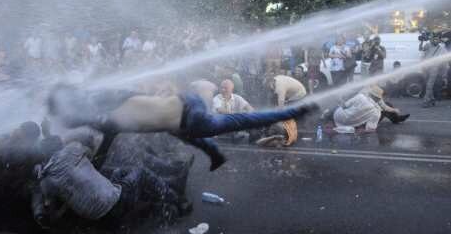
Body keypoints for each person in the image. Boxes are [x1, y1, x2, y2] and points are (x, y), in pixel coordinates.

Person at [48, 82, 317, 171]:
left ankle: (295, 110)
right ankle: (215, 154)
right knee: (174, 129)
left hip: (191, 119)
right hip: (185, 103)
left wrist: (94, 163)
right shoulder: (115, 101)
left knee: (241, 121)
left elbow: (103, 146)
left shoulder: (107, 123)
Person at [37, 141, 182, 226]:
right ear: (59, 147)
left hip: (101, 220)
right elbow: (92, 152)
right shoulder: (70, 150)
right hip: (118, 202)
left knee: (119, 172)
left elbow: (52, 213)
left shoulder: (45, 180)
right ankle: (177, 199)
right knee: (140, 172)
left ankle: (164, 190)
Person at [0, 121, 43, 229]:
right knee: (36, 186)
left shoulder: (2, 147)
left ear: (21, 132)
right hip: (20, 189)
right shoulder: (34, 151)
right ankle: (40, 214)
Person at [332, 86, 409, 133]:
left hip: (338, 117)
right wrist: (394, 110)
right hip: (350, 123)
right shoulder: (376, 111)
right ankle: (397, 119)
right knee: (386, 107)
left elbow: (344, 106)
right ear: (378, 98)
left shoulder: (360, 96)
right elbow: (370, 129)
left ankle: (326, 115)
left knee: (339, 108)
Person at [420, 33, 446, 108]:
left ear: (439, 40)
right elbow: (421, 48)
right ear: (432, 39)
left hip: (434, 68)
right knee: (427, 85)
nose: (435, 40)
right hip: (425, 67)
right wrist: (422, 41)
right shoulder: (428, 45)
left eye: (437, 39)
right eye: (434, 39)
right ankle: (432, 99)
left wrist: (443, 72)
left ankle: (426, 101)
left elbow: (444, 60)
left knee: (429, 85)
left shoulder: (442, 49)